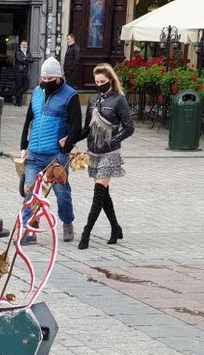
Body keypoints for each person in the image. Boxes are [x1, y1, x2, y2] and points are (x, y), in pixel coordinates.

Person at [19, 56, 82, 244]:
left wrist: (68, 145)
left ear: (58, 78)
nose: (45, 83)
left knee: (61, 192)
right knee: (30, 191)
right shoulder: (37, 93)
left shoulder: (70, 95)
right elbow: (29, 119)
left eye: (49, 80)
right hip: (35, 153)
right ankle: (30, 229)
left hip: (56, 155)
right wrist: (24, 145)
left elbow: (76, 124)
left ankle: (67, 221)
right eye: (43, 79)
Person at [77, 63, 134, 250]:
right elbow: (87, 128)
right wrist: (69, 140)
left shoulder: (119, 100)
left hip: (110, 151)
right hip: (94, 151)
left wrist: (112, 140)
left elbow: (129, 127)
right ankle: (116, 228)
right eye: (96, 81)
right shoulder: (93, 99)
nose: (99, 84)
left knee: (98, 193)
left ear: (110, 80)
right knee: (104, 194)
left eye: (102, 81)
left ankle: (86, 233)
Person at [14, 40, 34, 107]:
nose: (25, 46)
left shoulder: (28, 52)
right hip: (19, 71)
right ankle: (18, 103)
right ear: (20, 45)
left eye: (26, 44)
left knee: (27, 85)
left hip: (25, 71)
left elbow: (32, 60)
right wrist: (26, 61)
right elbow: (19, 60)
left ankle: (16, 96)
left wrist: (25, 59)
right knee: (18, 86)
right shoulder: (18, 52)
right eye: (23, 44)